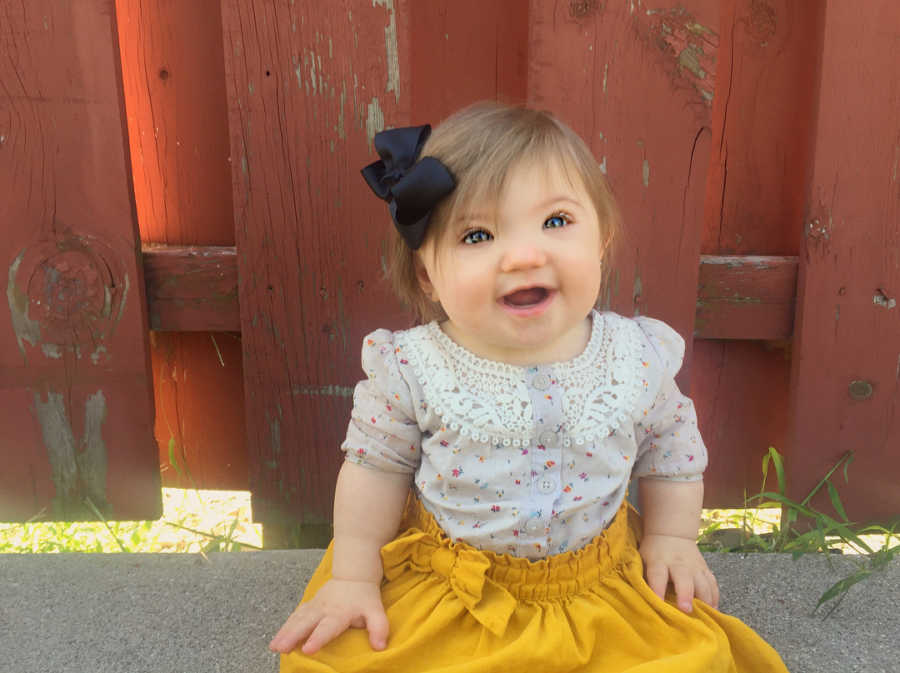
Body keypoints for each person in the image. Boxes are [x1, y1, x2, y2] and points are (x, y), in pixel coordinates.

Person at [270, 102, 789, 672]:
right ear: (427, 275)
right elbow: (375, 469)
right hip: (453, 587)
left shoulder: (634, 356)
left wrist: (672, 538)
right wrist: (353, 575)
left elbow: (671, 449)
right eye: (477, 234)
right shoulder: (413, 368)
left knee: (689, 660)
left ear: (603, 241)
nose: (522, 255)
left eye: (556, 222)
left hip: (598, 582)